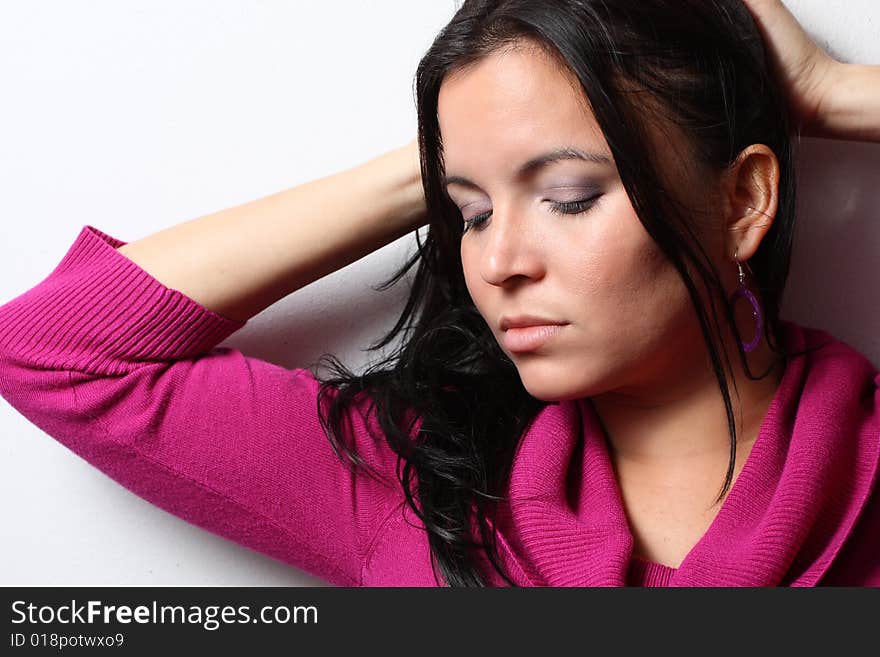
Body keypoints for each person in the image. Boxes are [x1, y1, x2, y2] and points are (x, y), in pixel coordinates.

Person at [0, 0, 877, 587]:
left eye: (568, 197)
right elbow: (55, 352)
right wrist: (439, 160)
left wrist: (837, 95)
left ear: (743, 201)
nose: (498, 262)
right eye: (467, 213)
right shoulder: (419, 485)